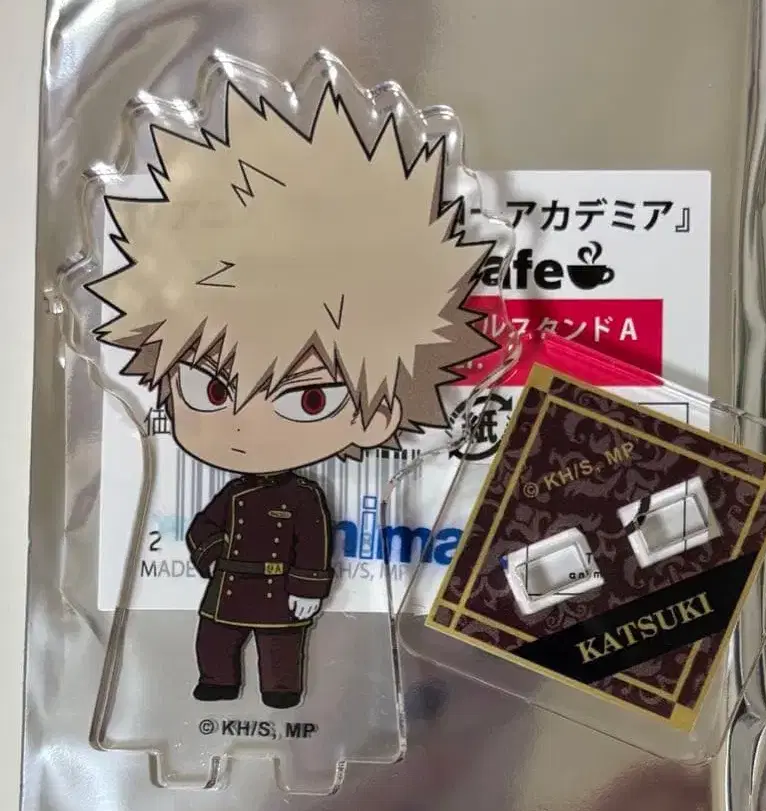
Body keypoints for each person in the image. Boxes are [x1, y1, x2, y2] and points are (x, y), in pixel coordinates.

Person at [88, 80, 496, 708]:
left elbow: (313, 545)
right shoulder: (235, 492)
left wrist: (310, 585)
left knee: (281, 651)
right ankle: (219, 683)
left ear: (379, 415)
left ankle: (281, 693)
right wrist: (209, 554)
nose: (243, 427)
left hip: (283, 595)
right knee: (216, 643)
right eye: (212, 387)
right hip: (227, 590)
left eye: (309, 400)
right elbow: (203, 527)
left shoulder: (304, 498)